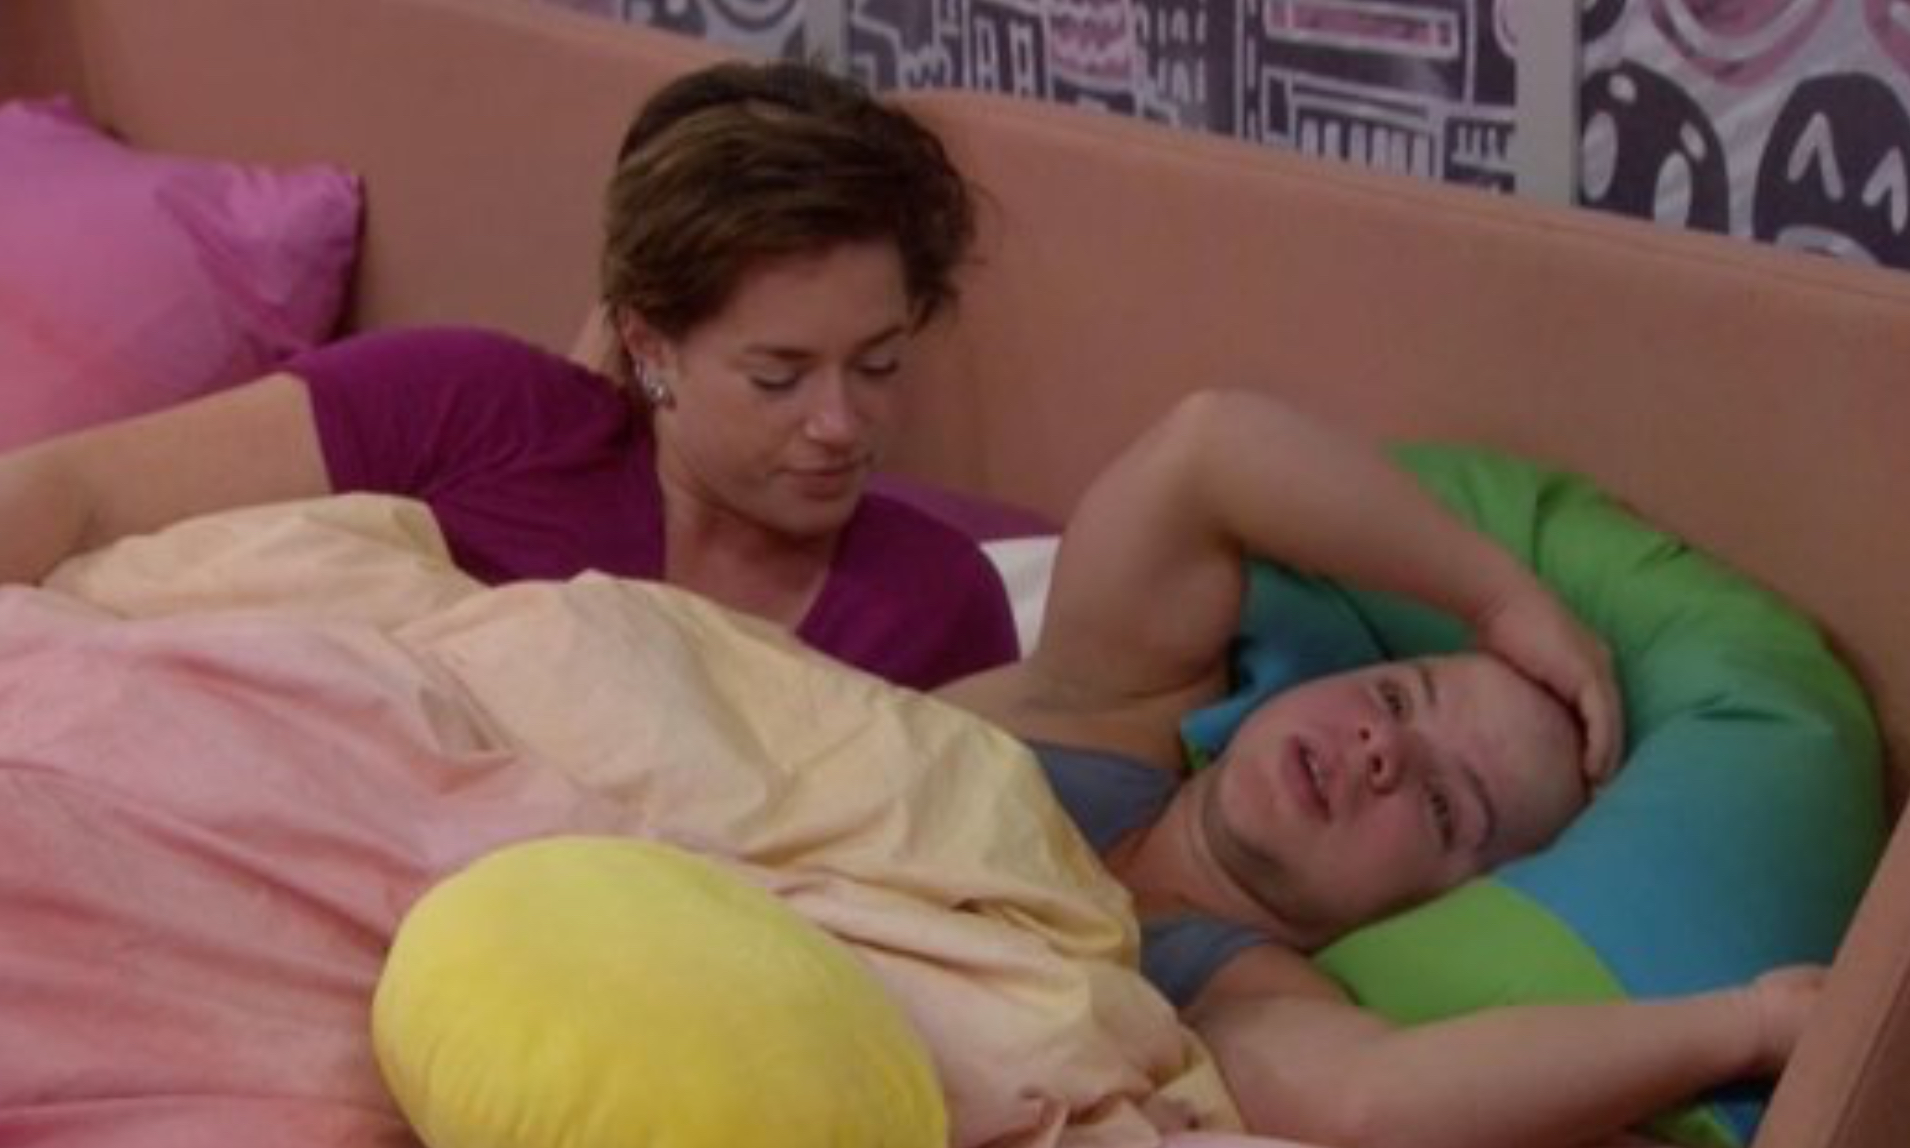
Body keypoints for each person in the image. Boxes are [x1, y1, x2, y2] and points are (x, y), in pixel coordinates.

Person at [934, 389, 1820, 1148]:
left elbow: (1372, 1100)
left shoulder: (1230, 997)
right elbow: (1208, 449)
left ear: (1430, 906)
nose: (1382, 750)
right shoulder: (1104, 697)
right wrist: (1499, 599)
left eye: (1442, 806)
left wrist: (1751, 1024)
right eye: (1395, 699)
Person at [0, 60, 1016, 691]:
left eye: (877, 364)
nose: (840, 423)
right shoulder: (470, 409)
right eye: (778, 376)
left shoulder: (933, 600)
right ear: (650, 342)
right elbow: (69, 490)